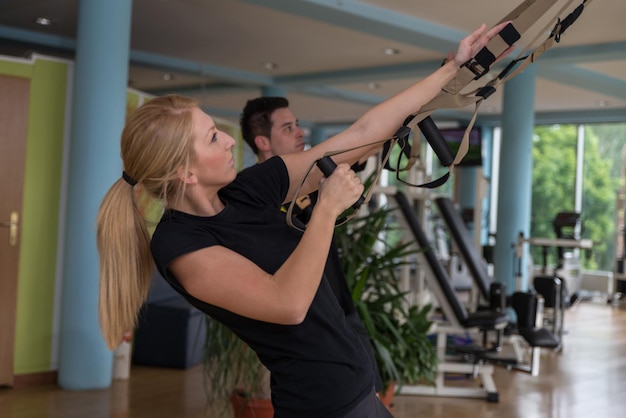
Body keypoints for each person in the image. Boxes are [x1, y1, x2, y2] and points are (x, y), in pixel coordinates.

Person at [97, 22, 512, 418]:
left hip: (354, 385)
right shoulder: (178, 244)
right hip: (322, 405)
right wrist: (327, 209)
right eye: (211, 137)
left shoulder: (246, 189)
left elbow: (359, 136)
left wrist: (453, 67)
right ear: (184, 173)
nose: (227, 139)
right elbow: (287, 304)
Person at [240, 96, 385, 393]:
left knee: (370, 397)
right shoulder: (250, 202)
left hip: (342, 312)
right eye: (288, 127)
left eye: (297, 125)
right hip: (305, 333)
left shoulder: (317, 178)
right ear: (263, 142)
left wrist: (444, 85)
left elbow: (369, 141)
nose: (300, 133)